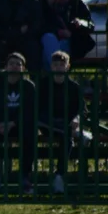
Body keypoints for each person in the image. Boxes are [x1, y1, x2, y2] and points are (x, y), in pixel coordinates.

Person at [0, 51, 37, 194]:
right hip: (1, 124)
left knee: (30, 134)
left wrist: (13, 123)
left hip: (19, 125)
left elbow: (29, 110)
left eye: (18, 64)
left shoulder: (29, 86)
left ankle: (25, 176)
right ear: (6, 67)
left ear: (23, 68)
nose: (14, 67)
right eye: (11, 64)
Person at [37, 50, 87, 195]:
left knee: (67, 139)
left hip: (66, 125)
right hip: (47, 124)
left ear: (67, 66)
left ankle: (59, 175)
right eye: (55, 64)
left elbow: (82, 109)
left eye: (61, 64)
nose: (58, 67)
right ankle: (77, 133)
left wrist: (77, 119)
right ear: (51, 66)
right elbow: (37, 109)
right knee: (62, 131)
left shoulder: (74, 87)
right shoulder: (43, 84)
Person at [39, 0, 96, 71]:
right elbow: (40, 25)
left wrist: (80, 23)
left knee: (58, 47)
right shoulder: (44, 4)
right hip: (51, 38)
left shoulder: (77, 2)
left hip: (73, 40)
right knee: (49, 38)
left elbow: (90, 24)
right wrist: (58, 32)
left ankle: (53, 80)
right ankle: (60, 78)